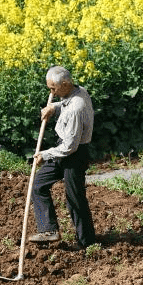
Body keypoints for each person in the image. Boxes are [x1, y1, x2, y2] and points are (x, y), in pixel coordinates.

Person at [29, 65, 97, 248]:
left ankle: (87, 243)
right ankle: (49, 230)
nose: (51, 92)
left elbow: (70, 147)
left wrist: (45, 154)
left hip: (74, 155)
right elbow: (66, 104)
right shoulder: (78, 91)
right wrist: (54, 108)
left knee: (75, 199)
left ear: (66, 84)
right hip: (63, 150)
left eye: (53, 89)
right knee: (38, 185)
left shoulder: (77, 108)